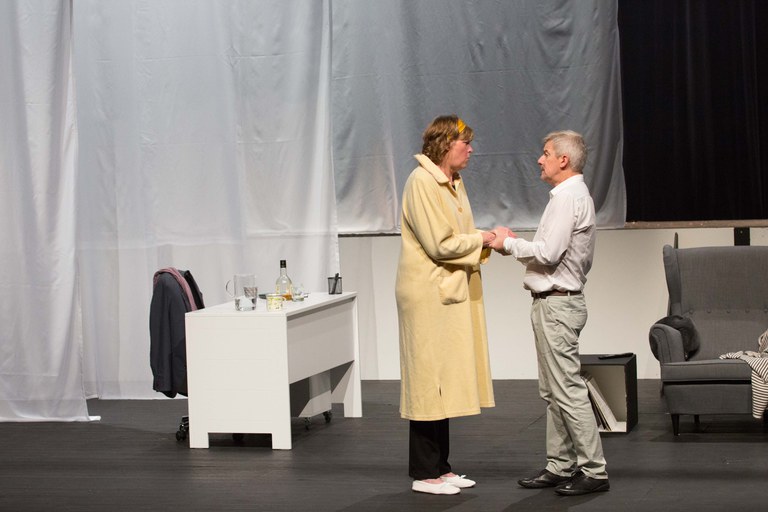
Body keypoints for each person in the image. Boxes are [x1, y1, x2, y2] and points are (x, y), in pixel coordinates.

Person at [490, 130, 609, 496]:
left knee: (567, 390)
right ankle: (560, 465)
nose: (540, 160)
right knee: (553, 391)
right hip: (553, 303)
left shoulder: (568, 197)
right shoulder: (570, 195)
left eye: (545, 153)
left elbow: (548, 252)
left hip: (559, 304)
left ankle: (594, 470)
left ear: (563, 160)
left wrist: (508, 243)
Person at [396, 115, 499, 495]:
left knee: (444, 381)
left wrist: (482, 241)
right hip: (427, 294)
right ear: (444, 144)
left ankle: (441, 466)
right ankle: (425, 474)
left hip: (448, 290)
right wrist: (485, 238)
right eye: (464, 143)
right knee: (429, 381)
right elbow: (439, 244)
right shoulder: (421, 181)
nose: (470, 150)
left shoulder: (453, 182)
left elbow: (458, 236)